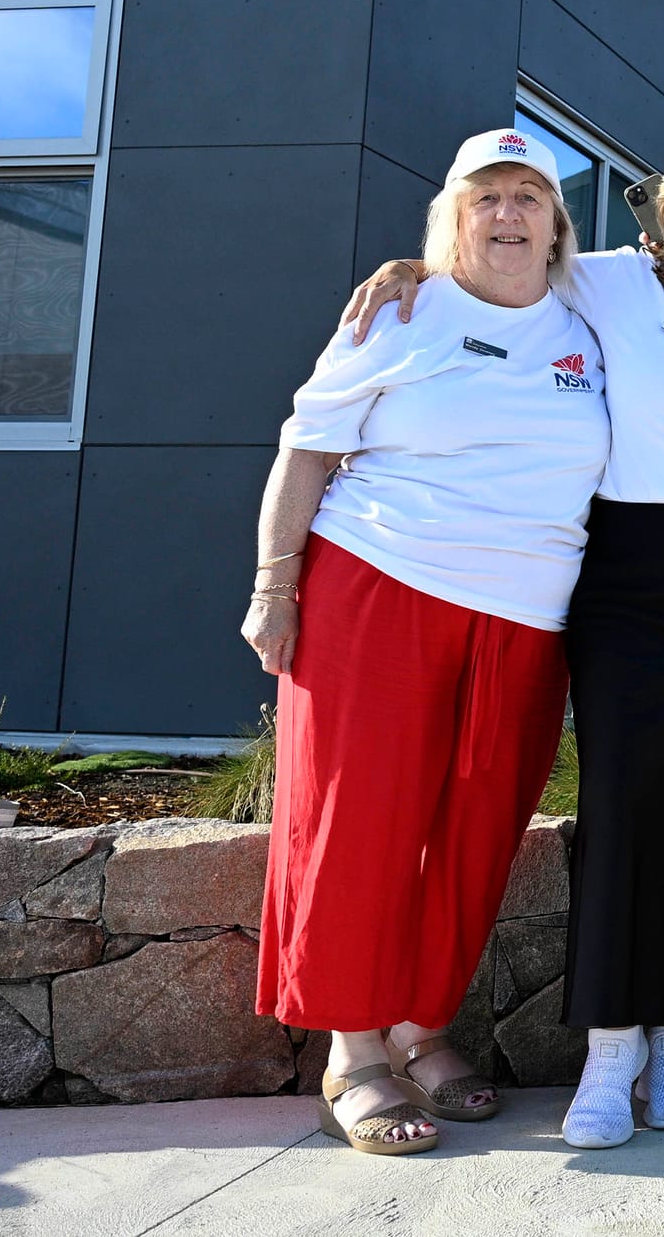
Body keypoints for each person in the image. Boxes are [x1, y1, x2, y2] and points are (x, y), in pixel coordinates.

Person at [341, 111, 664, 1150]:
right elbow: (498, 261)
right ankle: (611, 1051)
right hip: (629, 571)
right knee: (623, 801)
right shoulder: (611, 281)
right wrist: (410, 266)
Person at [247, 128, 610, 1156]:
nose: (507, 214)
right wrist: (274, 588)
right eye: (485, 197)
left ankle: (423, 1029)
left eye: (527, 196)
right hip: (382, 590)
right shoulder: (400, 311)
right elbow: (304, 451)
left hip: (529, 620)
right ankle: (355, 1051)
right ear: (453, 216)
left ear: (556, 219)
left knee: (473, 831)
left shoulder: (591, 314)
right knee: (359, 821)